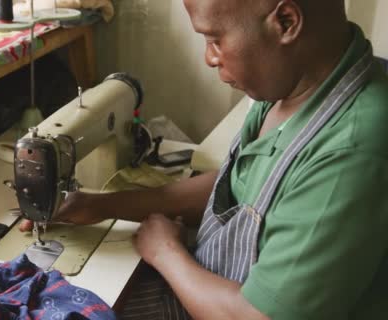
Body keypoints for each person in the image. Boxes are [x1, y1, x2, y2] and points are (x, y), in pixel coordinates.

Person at [21, 0, 388, 318]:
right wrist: (105, 205)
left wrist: (166, 252)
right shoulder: (291, 90)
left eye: (214, 39)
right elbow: (245, 189)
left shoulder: (351, 150)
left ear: (286, 22)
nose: (209, 58)